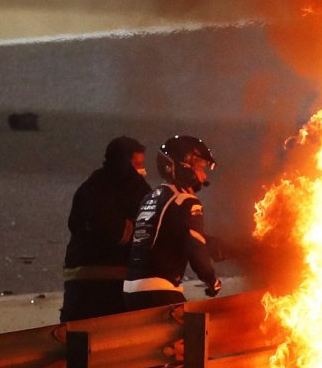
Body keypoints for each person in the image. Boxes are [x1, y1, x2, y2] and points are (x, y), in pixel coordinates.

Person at [123, 135, 222, 310]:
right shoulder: (186, 200)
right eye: (200, 168)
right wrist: (210, 279)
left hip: (130, 290)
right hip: (159, 289)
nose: (203, 175)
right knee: (199, 331)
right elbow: (195, 245)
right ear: (185, 166)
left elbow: (169, 234)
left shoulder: (151, 197)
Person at [60, 136, 152, 322]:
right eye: (137, 164)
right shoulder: (97, 190)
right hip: (94, 287)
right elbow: (114, 231)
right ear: (123, 163)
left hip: (108, 284)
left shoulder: (92, 187)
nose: (141, 171)